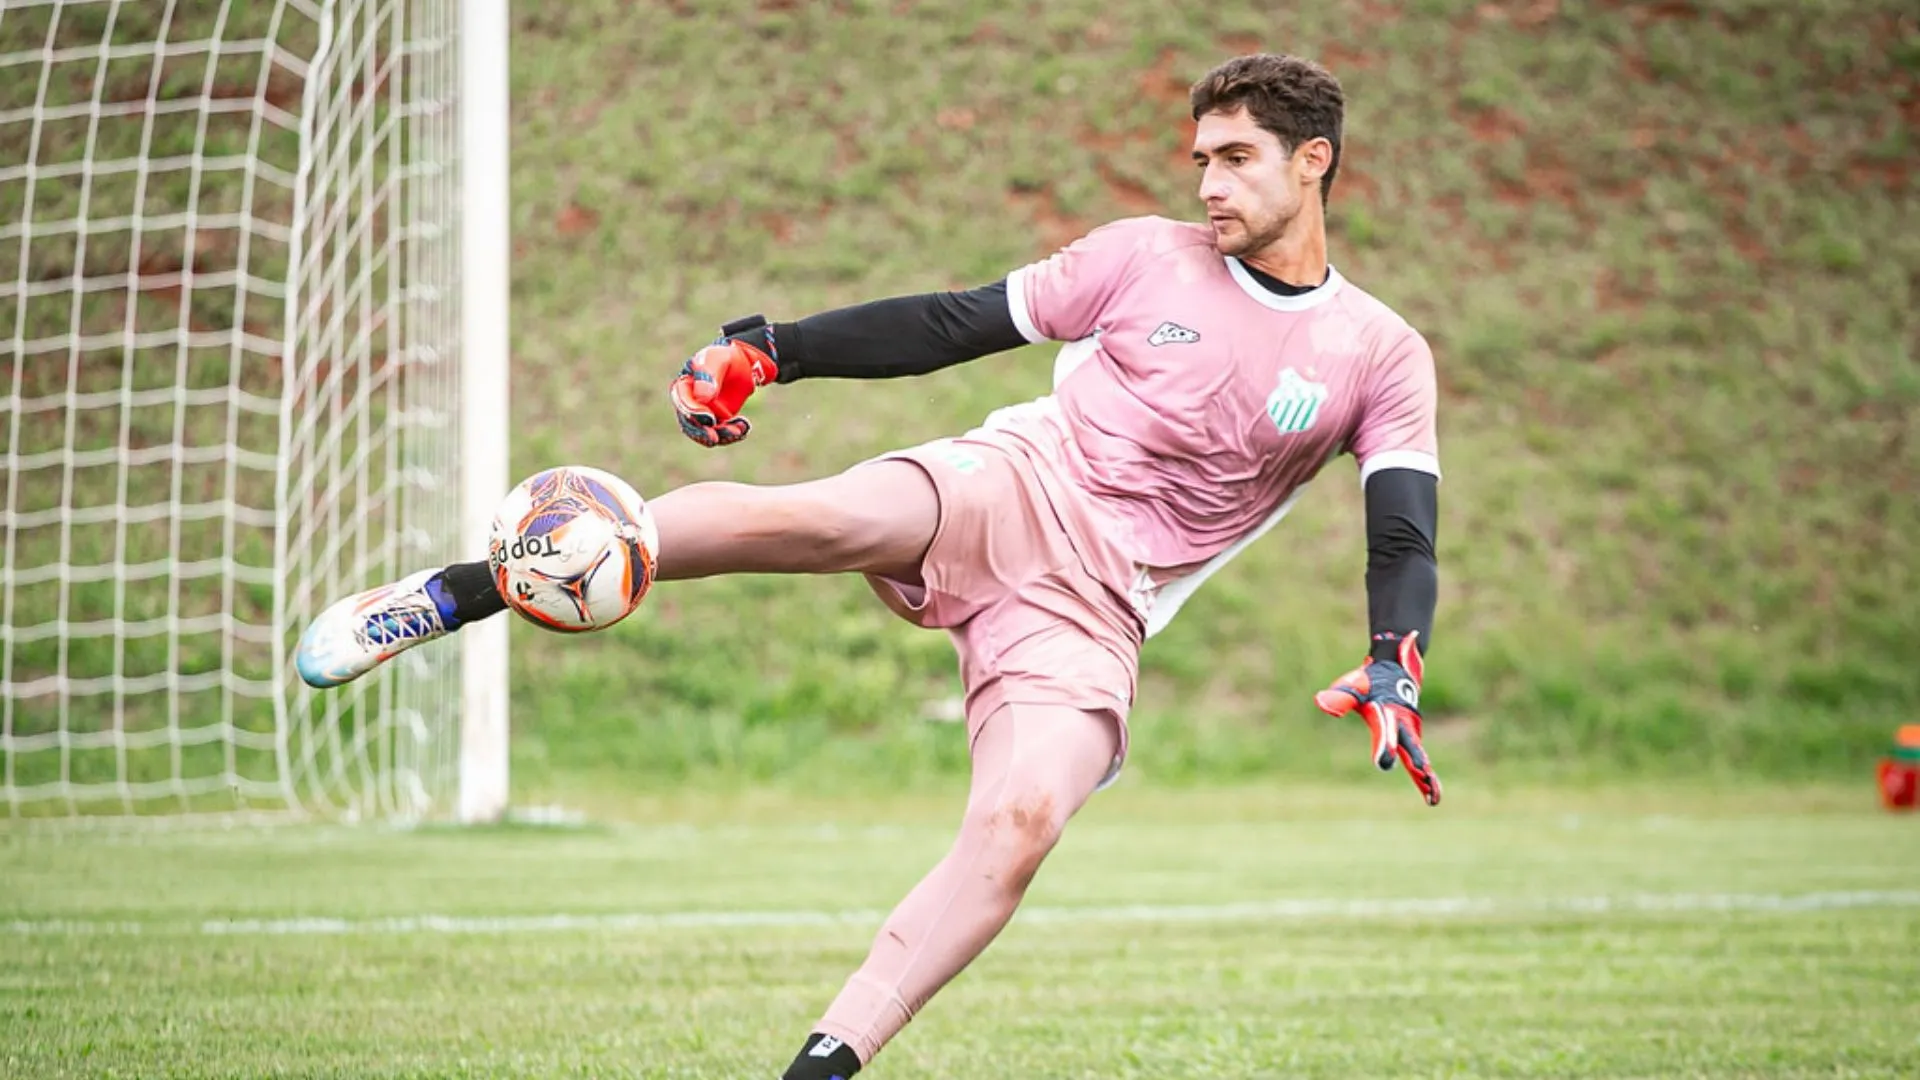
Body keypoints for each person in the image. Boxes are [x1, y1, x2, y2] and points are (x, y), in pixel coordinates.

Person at [296, 52, 1443, 1079]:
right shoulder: (1143, 257)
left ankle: (824, 1064)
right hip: (1014, 483)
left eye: (1237, 160)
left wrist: (1395, 657)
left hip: (1101, 609)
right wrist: (773, 351)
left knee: (1020, 825)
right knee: (819, 518)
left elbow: (1400, 531)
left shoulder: (1378, 354)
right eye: (1201, 160)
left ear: (1313, 161)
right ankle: (451, 593)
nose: (1209, 185)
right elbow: (952, 323)